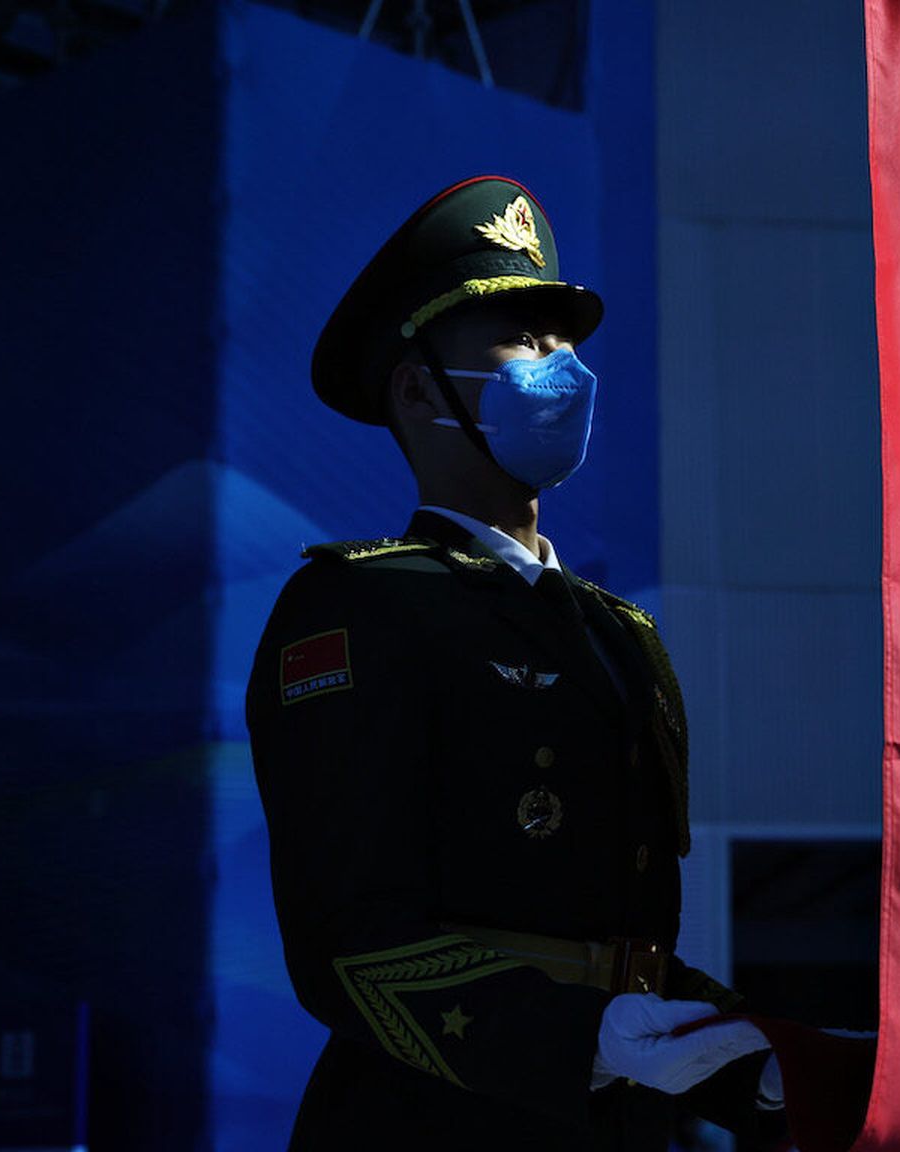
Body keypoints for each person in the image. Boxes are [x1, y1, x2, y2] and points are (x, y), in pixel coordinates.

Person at [246, 176, 787, 1150]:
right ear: (419, 390)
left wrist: (770, 1060)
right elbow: (350, 942)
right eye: (521, 339)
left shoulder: (622, 636)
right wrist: (581, 1036)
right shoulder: (360, 607)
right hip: (433, 1124)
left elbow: (628, 952)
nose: (562, 366)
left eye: (565, 338)